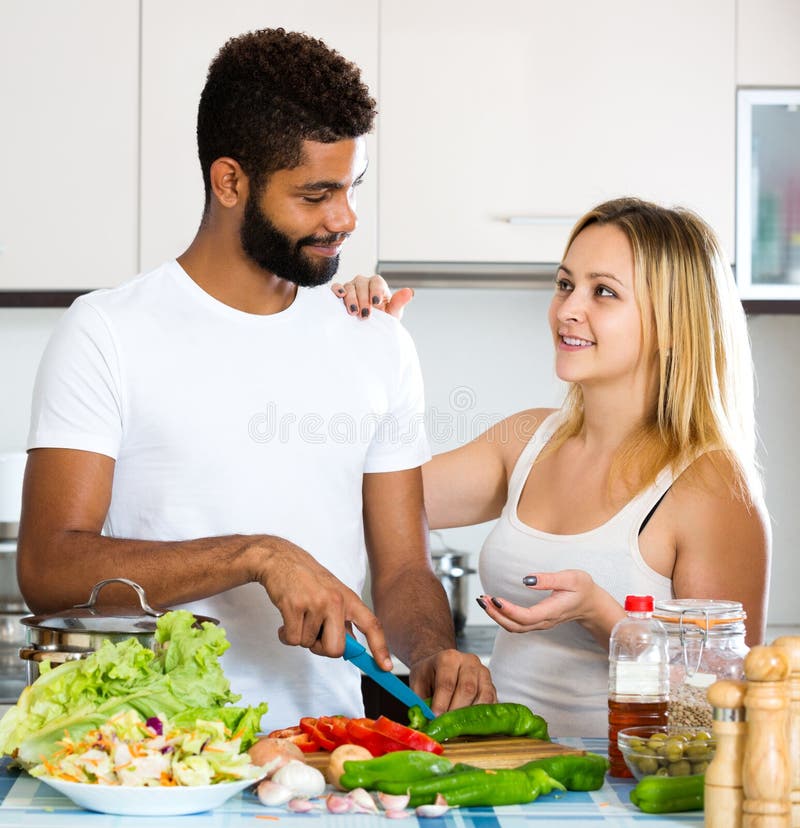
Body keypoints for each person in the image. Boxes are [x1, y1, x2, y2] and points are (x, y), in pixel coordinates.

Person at [18, 27, 495, 728]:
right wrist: (256, 555)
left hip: (320, 754)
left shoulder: (377, 343)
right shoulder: (107, 333)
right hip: (151, 762)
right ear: (230, 181)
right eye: (316, 194)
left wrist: (430, 652)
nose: (345, 218)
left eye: (353, 186)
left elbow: (403, 571)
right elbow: (49, 570)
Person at [332, 197, 771, 736]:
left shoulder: (711, 485)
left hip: (622, 792)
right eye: (566, 284)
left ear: (676, 325)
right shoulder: (526, 441)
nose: (568, 309)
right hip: (502, 766)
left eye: (603, 292)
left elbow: (717, 708)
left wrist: (602, 616)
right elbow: (361, 494)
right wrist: (370, 359)